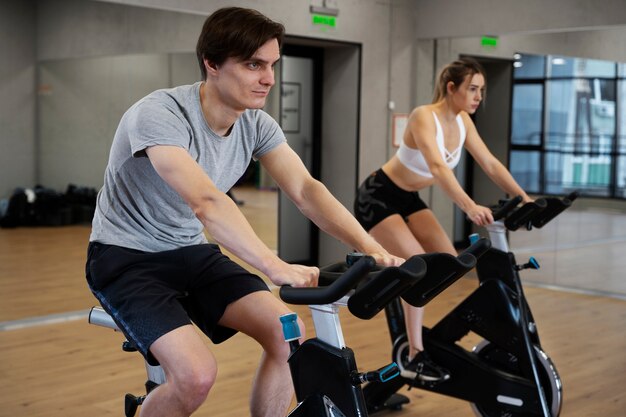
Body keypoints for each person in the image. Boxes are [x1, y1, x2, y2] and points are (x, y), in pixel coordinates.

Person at [86, 7, 402, 417]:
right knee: (196, 377)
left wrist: (371, 248)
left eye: (272, 65)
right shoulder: (159, 114)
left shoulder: (257, 124)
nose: (269, 78)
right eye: (254, 65)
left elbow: (306, 189)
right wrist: (273, 266)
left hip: (190, 252)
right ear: (212, 63)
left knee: (287, 336)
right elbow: (207, 202)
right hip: (125, 258)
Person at [354, 57, 532, 383]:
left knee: (450, 262)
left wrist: (524, 197)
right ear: (452, 88)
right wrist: (468, 206)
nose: (478, 96)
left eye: (481, 90)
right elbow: (438, 168)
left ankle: (395, 290)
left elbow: (490, 163)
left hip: (408, 198)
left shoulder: (464, 121)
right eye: (472, 89)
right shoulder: (425, 116)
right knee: (418, 267)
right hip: (378, 195)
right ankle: (413, 354)